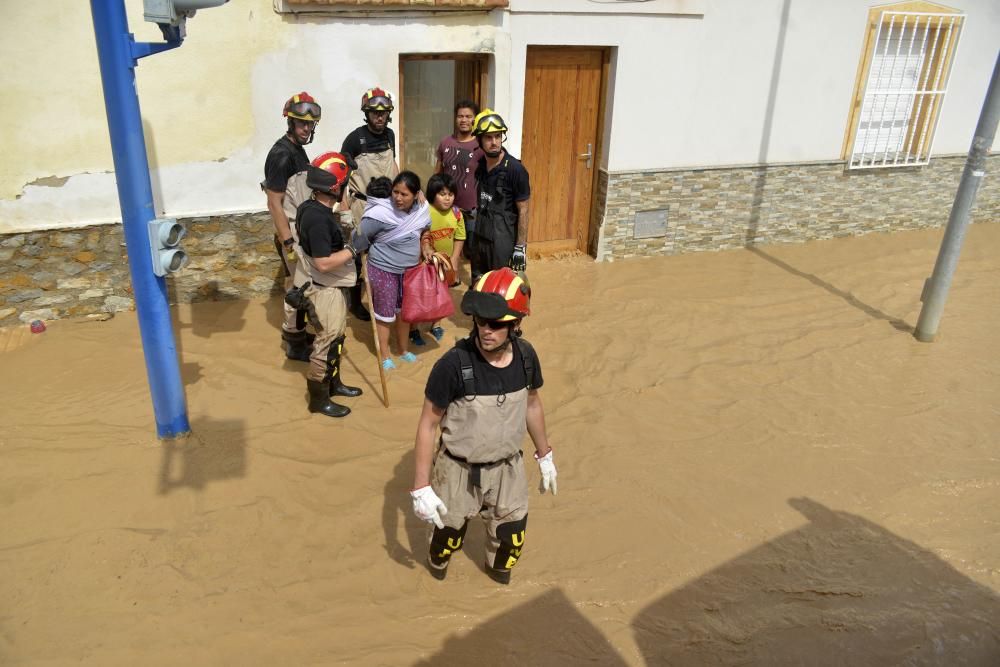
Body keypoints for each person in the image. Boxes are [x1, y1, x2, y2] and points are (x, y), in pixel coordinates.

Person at [410, 268, 557, 584]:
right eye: (479, 321)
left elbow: (532, 404)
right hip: (457, 471)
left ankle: (496, 580)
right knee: (443, 544)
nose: (485, 330)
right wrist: (421, 487)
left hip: (508, 469)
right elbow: (428, 424)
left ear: (516, 323)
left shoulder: (526, 358)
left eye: (496, 324)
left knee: (509, 544)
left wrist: (545, 456)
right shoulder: (452, 365)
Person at [292, 153, 363, 418]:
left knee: (338, 338)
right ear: (335, 187)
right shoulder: (318, 219)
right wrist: (354, 249)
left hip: (329, 287)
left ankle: (334, 384)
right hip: (325, 289)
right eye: (344, 184)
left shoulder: (310, 207)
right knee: (328, 341)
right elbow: (323, 263)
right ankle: (319, 399)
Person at [351, 171, 431, 371]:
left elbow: (425, 230)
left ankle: (403, 350)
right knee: (385, 314)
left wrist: (426, 246)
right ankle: (385, 355)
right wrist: (359, 237)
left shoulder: (421, 210)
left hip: (409, 272)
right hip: (383, 270)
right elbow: (358, 237)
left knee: (404, 314)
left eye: (404, 194)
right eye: (395, 192)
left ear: (415, 195)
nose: (398, 197)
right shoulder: (380, 213)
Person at [262, 92, 321, 361]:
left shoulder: (297, 149)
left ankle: (298, 329)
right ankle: (294, 342)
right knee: (297, 287)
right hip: (292, 233)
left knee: (303, 283)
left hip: (302, 229)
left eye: (310, 124)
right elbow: (274, 202)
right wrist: (288, 242)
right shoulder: (281, 155)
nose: (306, 129)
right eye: (301, 123)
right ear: (290, 123)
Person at [340, 87, 400, 323]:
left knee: (385, 252)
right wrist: (344, 208)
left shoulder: (390, 136)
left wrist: (404, 193)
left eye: (383, 112)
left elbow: (392, 165)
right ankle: (356, 302)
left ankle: (384, 295)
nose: (379, 117)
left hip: (387, 205)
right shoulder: (354, 140)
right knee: (358, 255)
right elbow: (341, 177)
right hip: (361, 207)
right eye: (375, 112)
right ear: (366, 113)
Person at [470, 109, 531, 284]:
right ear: (479, 140)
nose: (494, 142)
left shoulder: (516, 170)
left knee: (501, 292)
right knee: (478, 286)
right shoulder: (480, 165)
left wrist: (520, 248)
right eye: (489, 138)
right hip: (480, 238)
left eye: (498, 136)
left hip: (502, 245)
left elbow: (524, 210)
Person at [410, 173, 465, 347]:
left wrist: (455, 259)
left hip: (445, 264)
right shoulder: (424, 211)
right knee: (420, 296)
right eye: (442, 194)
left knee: (441, 295)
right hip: (424, 264)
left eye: (450, 194)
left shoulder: (457, 214)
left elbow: (460, 236)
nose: (447, 198)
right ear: (433, 194)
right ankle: (413, 329)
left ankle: (436, 324)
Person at [434, 100, 482, 277]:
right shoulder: (445, 143)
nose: (464, 120)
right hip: (447, 209)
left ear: (474, 119)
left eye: (468, 116)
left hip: (472, 209)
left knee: (473, 251)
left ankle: (476, 282)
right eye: (460, 116)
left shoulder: (480, 145)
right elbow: (437, 173)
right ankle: (446, 279)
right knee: (445, 246)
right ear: (455, 118)